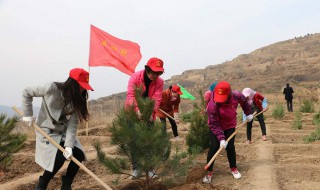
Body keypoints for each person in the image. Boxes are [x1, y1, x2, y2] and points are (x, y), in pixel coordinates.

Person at [22, 68, 93, 190]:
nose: (83, 89)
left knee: (78, 153)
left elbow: (72, 124)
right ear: (73, 83)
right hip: (46, 129)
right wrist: (27, 114)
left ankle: (66, 185)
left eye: (85, 87)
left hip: (62, 130)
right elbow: (27, 91)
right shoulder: (51, 88)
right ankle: (42, 184)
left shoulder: (78, 99)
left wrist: (69, 145)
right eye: (81, 86)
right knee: (59, 156)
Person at [203, 81, 252, 183]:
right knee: (214, 147)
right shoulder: (212, 105)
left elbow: (245, 103)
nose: (220, 101)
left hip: (230, 125)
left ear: (229, 94)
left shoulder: (237, 95)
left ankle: (233, 168)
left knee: (230, 146)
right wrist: (221, 138)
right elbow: (213, 123)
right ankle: (209, 172)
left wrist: (248, 114)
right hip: (216, 126)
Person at [125, 57, 164, 179]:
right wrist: (137, 110)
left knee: (149, 141)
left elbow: (156, 100)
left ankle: (150, 170)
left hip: (148, 113)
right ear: (147, 69)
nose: (155, 75)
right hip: (132, 112)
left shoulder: (160, 82)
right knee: (133, 141)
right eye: (153, 72)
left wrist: (152, 115)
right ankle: (136, 169)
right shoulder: (135, 77)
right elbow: (131, 96)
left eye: (158, 73)